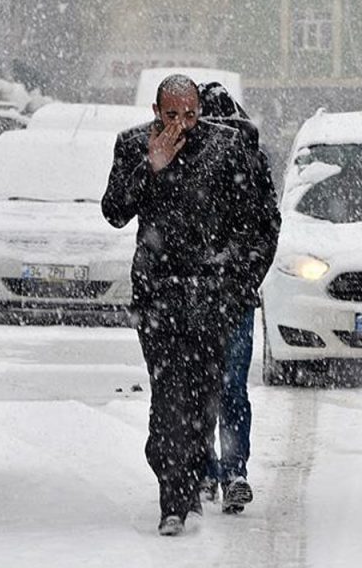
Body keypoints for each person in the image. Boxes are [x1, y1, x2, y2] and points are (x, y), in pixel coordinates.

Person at [102, 74, 278, 536]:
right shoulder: (133, 145)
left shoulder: (226, 148)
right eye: (172, 114)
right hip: (158, 297)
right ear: (156, 111)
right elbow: (115, 210)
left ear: (201, 111)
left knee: (203, 398)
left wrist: (236, 281)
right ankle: (173, 500)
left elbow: (258, 222)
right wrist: (151, 168)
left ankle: (193, 472)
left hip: (211, 299)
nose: (181, 124)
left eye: (190, 114)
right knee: (167, 397)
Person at [195, 82, 280, 515]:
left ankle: (227, 470)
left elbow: (266, 227)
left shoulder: (246, 161)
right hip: (213, 295)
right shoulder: (243, 159)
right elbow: (268, 228)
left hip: (226, 295)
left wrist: (242, 274)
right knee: (217, 387)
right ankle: (215, 469)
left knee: (220, 385)